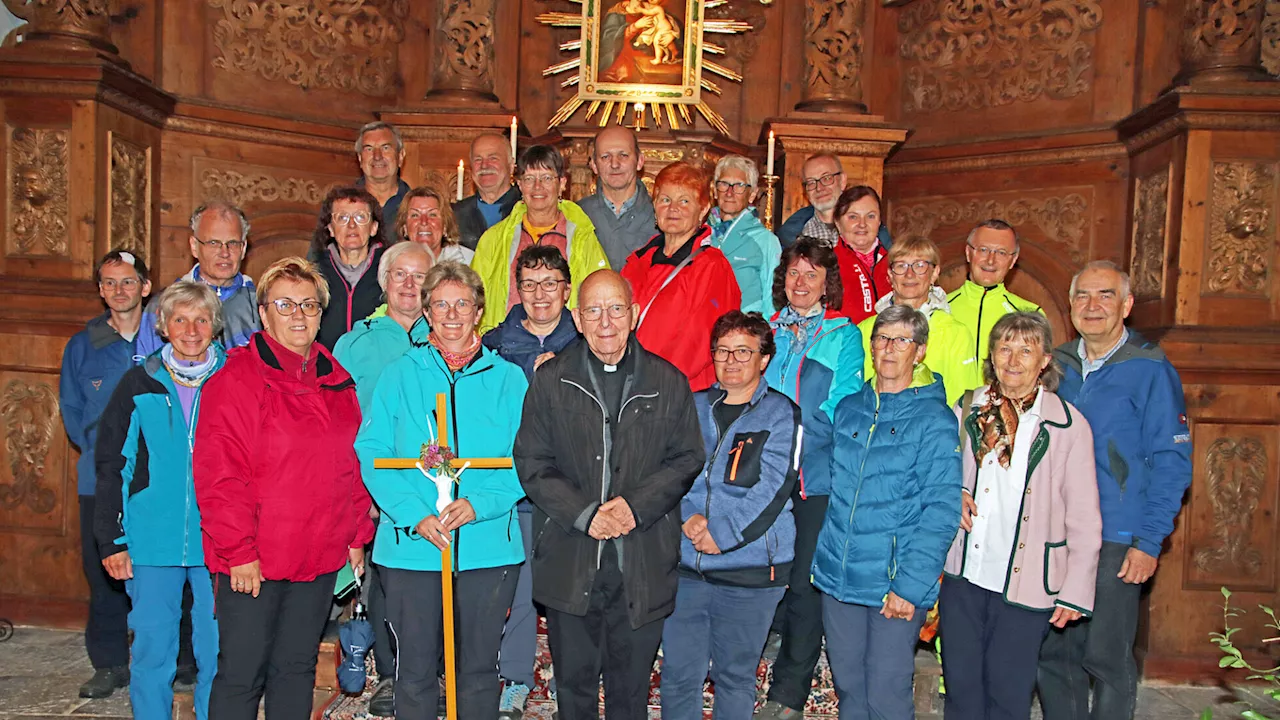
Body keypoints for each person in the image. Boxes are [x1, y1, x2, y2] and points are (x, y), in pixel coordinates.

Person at [514, 270, 705, 720]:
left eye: (616, 308)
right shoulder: (551, 380)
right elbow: (532, 463)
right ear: (577, 318)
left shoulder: (668, 381)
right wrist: (585, 514)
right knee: (574, 691)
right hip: (571, 556)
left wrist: (634, 507)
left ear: (634, 314)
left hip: (641, 561)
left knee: (630, 693)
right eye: (594, 310)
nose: (606, 321)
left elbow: (686, 458)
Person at [194, 257, 374, 719]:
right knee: (242, 673)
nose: (299, 315)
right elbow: (220, 476)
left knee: (295, 668)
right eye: (286, 304)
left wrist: (356, 536)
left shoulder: (336, 380)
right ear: (264, 313)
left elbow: (351, 466)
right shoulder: (235, 379)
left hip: (317, 554)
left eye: (309, 305)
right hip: (255, 558)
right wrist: (238, 551)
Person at [355, 261, 528, 719]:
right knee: (413, 671)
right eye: (441, 305)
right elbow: (372, 450)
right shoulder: (399, 375)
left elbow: (530, 458)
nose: (452, 314)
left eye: (462, 304)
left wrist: (479, 505)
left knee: (475, 670)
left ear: (479, 311)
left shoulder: (509, 380)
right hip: (412, 548)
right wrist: (414, 514)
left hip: (486, 548)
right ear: (427, 313)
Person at [1038, 261, 1193, 720]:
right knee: (1054, 654)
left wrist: (1148, 542)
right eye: (1083, 296)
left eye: (1105, 295)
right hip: (1056, 533)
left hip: (1116, 537)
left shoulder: (1150, 368)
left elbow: (1172, 462)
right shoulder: (1056, 365)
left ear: (1125, 306)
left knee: (1105, 658)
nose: (1092, 306)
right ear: (1070, 306)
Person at [941, 312, 1102, 720]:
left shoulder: (1068, 426)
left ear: (1044, 360)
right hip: (964, 574)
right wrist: (953, 492)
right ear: (991, 356)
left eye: (1025, 350)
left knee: (1008, 695)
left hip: (1027, 583)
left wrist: (1076, 590)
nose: (1013, 360)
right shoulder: (966, 409)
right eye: (1004, 348)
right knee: (961, 690)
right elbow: (937, 472)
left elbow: (1084, 516)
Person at [811, 305, 962, 720]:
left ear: (921, 351)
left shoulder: (934, 419)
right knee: (850, 690)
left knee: (887, 696)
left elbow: (942, 510)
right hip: (839, 577)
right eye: (881, 338)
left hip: (892, 586)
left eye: (901, 340)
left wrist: (911, 587)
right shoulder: (850, 409)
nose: (888, 349)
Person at [94, 282, 227, 720]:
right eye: (180, 320)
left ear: (215, 326)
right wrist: (112, 541)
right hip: (151, 541)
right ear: (164, 326)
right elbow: (113, 465)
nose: (191, 330)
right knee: (153, 652)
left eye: (201, 320)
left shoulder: (234, 380)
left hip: (219, 542)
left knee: (220, 654)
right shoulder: (138, 383)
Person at [660, 311, 801, 720]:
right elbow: (669, 468)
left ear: (764, 359)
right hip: (687, 568)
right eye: (723, 350)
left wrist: (722, 533)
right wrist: (686, 517)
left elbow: (774, 488)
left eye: (744, 351)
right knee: (678, 676)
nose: (732, 360)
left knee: (735, 678)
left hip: (750, 572)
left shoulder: (781, 414)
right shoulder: (693, 405)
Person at [757, 238, 864, 720]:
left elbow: (842, 405)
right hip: (757, 471)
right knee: (755, 571)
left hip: (812, 476)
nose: (801, 282)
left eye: (811, 274)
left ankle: (788, 693)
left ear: (827, 283)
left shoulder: (843, 335)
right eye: (794, 273)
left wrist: (790, 434)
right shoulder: (764, 327)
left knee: (804, 583)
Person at [332, 241, 433, 715]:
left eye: (420, 276)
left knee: (436, 586)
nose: (410, 285)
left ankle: (435, 671)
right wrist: (362, 492)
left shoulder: (449, 334)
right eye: (400, 275)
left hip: (437, 488)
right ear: (384, 281)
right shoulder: (357, 343)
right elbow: (341, 424)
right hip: (376, 490)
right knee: (386, 584)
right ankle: (392, 676)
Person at [481, 244, 580, 717]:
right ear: (515, 290)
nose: (540, 294)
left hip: (569, 488)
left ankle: (570, 677)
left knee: (567, 589)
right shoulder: (496, 344)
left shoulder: (584, 341)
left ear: (566, 289)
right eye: (529, 284)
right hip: (515, 487)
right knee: (518, 590)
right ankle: (516, 677)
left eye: (550, 284)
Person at [59, 250, 152, 699]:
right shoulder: (83, 345)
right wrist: (106, 451)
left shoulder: (164, 337)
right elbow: (73, 411)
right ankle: (110, 663)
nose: (120, 290)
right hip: (100, 478)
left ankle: (181, 661)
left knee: (166, 569)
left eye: (128, 281)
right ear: (100, 290)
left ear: (145, 287)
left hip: (158, 478)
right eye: (110, 283)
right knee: (104, 575)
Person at [620, 161, 742, 391]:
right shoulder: (637, 262)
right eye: (665, 200)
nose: (673, 208)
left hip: (681, 390)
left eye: (684, 201)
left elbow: (702, 339)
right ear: (654, 206)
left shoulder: (712, 266)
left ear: (703, 209)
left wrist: (651, 379)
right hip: (630, 385)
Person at [472, 144, 610, 334]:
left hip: (566, 348)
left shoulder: (582, 237)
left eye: (546, 178)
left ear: (562, 183)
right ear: (519, 184)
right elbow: (473, 298)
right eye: (529, 179)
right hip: (506, 347)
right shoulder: (493, 239)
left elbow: (602, 295)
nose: (538, 187)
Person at [857, 235, 981, 407]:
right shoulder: (865, 330)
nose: (909, 274)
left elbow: (963, 403)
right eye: (901, 265)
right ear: (890, 275)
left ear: (935, 273)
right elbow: (855, 394)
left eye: (920, 265)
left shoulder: (955, 333)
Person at [137, 201, 260, 357]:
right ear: (194, 246)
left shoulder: (262, 306)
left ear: (243, 249)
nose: (224, 253)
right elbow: (145, 373)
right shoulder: (164, 304)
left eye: (233, 243)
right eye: (213, 243)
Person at [947, 219, 1043, 367]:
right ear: (968, 253)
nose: (991, 260)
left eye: (1001, 253)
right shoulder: (938, 308)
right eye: (983, 250)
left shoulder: (1031, 315)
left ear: (1013, 260)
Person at [310, 185, 389, 349]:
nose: (352, 225)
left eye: (361, 217)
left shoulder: (391, 271)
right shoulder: (314, 273)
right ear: (331, 229)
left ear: (374, 227)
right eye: (342, 218)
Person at [707, 154, 781, 315]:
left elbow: (772, 301)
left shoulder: (766, 241)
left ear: (752, 194)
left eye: (739, 185)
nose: (729, 192)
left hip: (745, 331)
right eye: (724, 184)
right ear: (714, 190)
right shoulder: (699, 233)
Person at [576, 126, 657, 270]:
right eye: (605, 157)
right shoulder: (577, 215)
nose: (614, 164)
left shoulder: (661, 215)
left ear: (639, 161)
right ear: (594, 165)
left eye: (623, 155)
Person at [832, 186, 892, 324]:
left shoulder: (897, 263)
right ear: (838, 223)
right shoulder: (826, 264)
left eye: (870, 216)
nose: (862, 224)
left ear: (879, 222)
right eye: (853, 217)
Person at [453, 133, 522, 250]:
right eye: (478, 159)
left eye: (493, 158)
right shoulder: (454, 215)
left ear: (511, 165)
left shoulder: (528, 210)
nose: (484, 165)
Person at [355, 121, 411, 245]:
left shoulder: (415, 207)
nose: (377, 156)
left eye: (385, 148)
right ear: (360, 158)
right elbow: (317, 259)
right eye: (369, 149)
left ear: (400, 156)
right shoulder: (341, 205)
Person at [777, 154, 845, 247]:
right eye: (811, 182)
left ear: (842, 181)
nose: (819, 188)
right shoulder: (791, 234)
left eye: (826, 178)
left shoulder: (864, 226)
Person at [398, 185, 475, 265]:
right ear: (405, 228)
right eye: (415, 215)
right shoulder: (391, 263)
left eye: (432, 215)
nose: (424, 221)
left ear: (445, 226)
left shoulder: (469, 262)